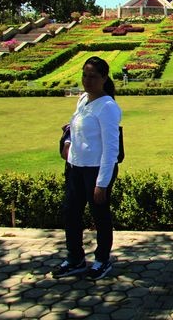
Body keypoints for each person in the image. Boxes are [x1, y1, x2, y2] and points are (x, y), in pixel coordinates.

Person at [53, 56, 122, 280]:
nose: (87, 80)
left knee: (99, 215)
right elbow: (73, 126)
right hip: (75, 167)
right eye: (85, 75)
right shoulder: (83, 99)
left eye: (93, 76)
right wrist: (67, 143)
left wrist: (102, 183)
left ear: (103, 79)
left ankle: (102, 259)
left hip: (96, 169)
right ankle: (75, 258)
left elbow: (111, 149)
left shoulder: (108, 107)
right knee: (70, 213)